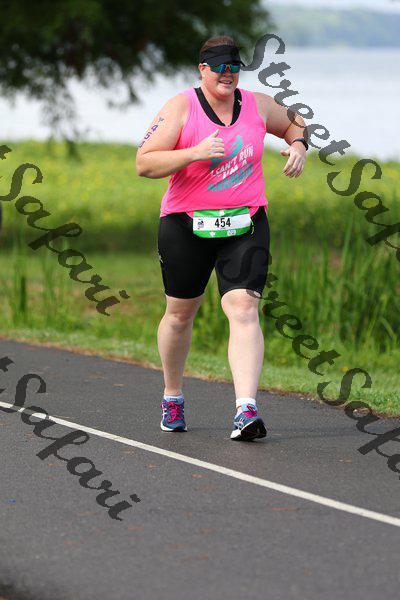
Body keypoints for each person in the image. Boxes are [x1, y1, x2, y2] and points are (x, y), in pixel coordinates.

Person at [136, 35, 307, 441]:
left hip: (245, 224)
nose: (228, 75)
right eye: (220, 68)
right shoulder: (181, 107)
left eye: (234, 68)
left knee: (244, 308)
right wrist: (193, 153)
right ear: (203, 69)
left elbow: (295, 122)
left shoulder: (257, 104)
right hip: (185, 226)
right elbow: (144, 163)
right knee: (180, 315)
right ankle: (172, 396)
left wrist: (299, 146)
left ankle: (246, 409)